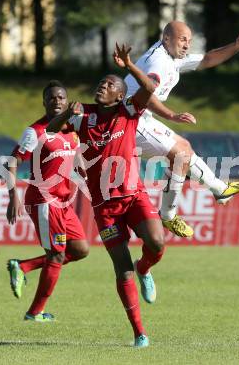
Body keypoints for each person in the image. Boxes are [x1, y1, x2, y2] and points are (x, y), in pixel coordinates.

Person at [46, 44, 166, 348]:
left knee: (157, 242)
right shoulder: (82, 114)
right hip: (105, 207)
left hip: (133, 195)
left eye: (110, 85)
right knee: (121, 266)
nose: (103, 87)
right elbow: (49, 128)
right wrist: (64, 118)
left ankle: (146, 268)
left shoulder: (129, 110)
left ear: (120, 95)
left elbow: (150, 87)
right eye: (101, 83)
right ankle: (139, 332)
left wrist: (128, 64)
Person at [125, 21, 239, 237]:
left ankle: (219, 190)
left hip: (139, 115)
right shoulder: (159, 62)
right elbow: (145, 95)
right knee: (180, 155)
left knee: (184, 149)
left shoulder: (171, 57)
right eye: (183, 39)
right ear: (167, 38)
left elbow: (207, 59)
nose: (187, 45)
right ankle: (169, 214)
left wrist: (236, 45)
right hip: (128, 119)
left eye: (189, 41)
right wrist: (171, 115)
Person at [6, 80, 89, 322]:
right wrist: (14, 197)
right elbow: (11, 163)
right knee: (56, 255)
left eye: (61, 97)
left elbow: (76, 156)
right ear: (44, 102)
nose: (57, 101)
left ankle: (23, 267)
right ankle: (35, 313)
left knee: (80, 249)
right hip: (44, 200)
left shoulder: (72, 131)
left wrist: (83, 171)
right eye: (52, 98)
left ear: (67, 100)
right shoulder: (35, 132)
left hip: (64, 201)